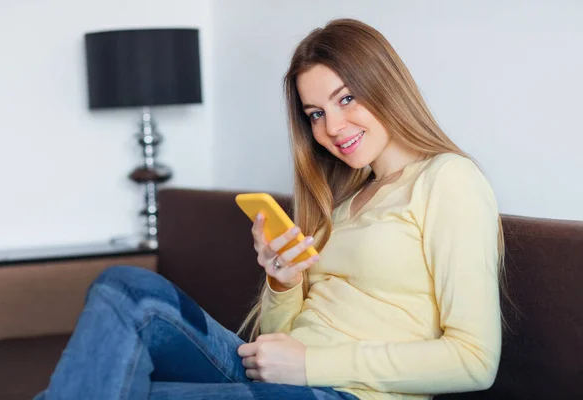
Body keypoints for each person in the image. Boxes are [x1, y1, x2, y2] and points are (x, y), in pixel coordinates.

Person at [35, 18, 503, 400]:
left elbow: (474, 361)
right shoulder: (343, 199)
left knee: (118, 385)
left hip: (346, 393)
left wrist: (310, 365)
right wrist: (284, 281)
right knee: (123, 287)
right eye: (315, 113)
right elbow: (277, 341)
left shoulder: (448, 179)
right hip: (278, 377)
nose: (333, 126)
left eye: (346, 98)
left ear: (384, 85)